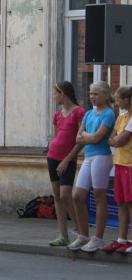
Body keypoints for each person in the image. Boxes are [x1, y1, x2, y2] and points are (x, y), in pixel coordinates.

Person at [68, 81, 116, 252]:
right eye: (90, 94)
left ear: (105, 95)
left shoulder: (109, 114)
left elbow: (97, 138)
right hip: (88, 157)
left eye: (96, 94)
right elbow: (78, 139)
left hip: (101, 157)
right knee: (78, 197)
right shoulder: (89, 114)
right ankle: (83, 235)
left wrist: (87, 135)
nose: (92, 97)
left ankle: (98, 238)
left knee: (99, 195)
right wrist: (89, 136)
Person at [46, 81, 85, 247]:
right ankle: (63, 234)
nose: (54, 97)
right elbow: (57, 136)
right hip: (52, 156)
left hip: (67, 158)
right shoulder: (58, 114)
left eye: (56, 93)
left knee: (65, 195)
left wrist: (68, 159)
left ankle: (81, 232)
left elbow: (81, 140)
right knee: (57, 194)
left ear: (63, 94)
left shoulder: (79, 112)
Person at [104, 86, 132, 253]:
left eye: (118, 99)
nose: (117, 102)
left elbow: (120, 140)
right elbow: (111, 139)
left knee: (130, 202)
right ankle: (122, 238)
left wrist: (116, 139)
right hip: (120, 163)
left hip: (130, 163)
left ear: (127, 100)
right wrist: (115, 139)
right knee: (121, 202)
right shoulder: (122, 117)